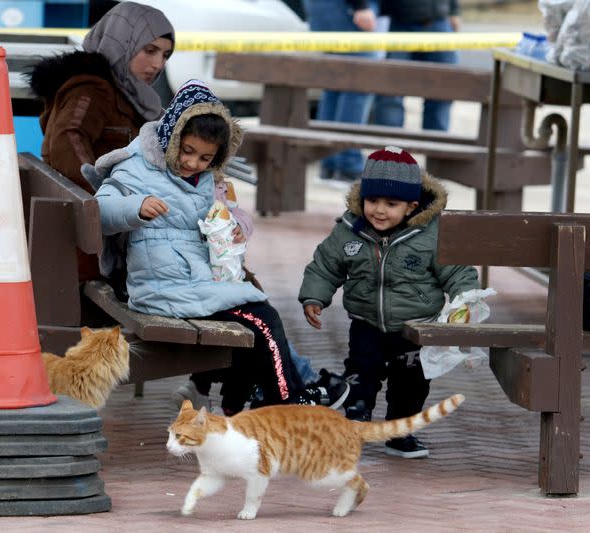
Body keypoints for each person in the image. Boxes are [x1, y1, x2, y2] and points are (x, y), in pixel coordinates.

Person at [93, 80, 348, 415]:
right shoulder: (137, 168)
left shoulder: (203, 180)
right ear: (172, 135)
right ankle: (284, 400)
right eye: (187, 151)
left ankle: (244, 401)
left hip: (192, 281)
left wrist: (233, 226)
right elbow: (101, 208)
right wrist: (135, 207)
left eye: (205, 158)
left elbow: (224, 214)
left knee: (255, 316)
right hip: (161, 287)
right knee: (262, 318)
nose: (193, 163)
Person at [298, 146, 479, 458]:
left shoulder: (430, 234)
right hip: (366, 323)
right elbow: (326, 265)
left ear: (410, 206)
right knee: (360, 372)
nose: (379, 210)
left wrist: (465, 301)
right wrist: (315, 296)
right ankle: (356, 421)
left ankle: (400, 432)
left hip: (414, 328)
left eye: (390, 204)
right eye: (372, 201)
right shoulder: (350, 230)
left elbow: (458, 271)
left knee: (411, 383)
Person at [26, 1, 174, 283]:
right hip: (96, 243)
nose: (158, 64)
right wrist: (107, 196)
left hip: (115, 231)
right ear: (122, 42)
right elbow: (67, 137)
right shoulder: (94, 90)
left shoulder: (132, 96)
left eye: (165, 55)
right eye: (149, 50)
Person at [302, 0, 380, 184]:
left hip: (327, 10)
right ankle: (347, 165)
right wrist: (361, 6)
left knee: (334, 87)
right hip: (347, 10)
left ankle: (329, 163)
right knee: (356, 87)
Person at [372, 1, 461, 131]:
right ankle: (390, 147)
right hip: (399, 20)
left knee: (442, 91)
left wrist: (454, 11)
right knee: (390, 94)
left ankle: (435, 147)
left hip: (437, 20)